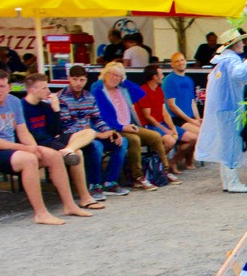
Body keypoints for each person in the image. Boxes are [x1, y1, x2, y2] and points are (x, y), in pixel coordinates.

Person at [0, 69, 92, 224]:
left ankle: (69, 205)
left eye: (2, 86)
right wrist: (27, 149)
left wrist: (34, 147)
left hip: (11, 148)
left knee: (54, 155)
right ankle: (40, 213)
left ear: (9, 87)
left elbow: (23, 131)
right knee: (29, 159)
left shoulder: (13, 101)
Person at [91, 61, 179, 190]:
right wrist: (122, 128)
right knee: (134, 139)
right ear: (105, 74)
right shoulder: (99, 90)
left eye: (118, 76)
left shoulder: (121, 89)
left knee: (155, 136)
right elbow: (104, 117)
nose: (114, 78)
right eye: (112, 75)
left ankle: (162, 170)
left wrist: (124, 81)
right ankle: (138, 177)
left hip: (128, 125)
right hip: (113, 128)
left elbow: (139, 93)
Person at [197, 28, 247, 193]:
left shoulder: (222, 61)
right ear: (235, 45)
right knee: (231, 145)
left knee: (226, 144)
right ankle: (233, 182)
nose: (243, 44)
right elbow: (240, 75)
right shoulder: (231, 61)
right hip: (230, 109)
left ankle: (228, 181)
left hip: (224, 109)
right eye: (240, 42)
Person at [21, 73, 102, 210]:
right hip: (38, 144)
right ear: (32, 90)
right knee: (78, 154)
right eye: (44, 88)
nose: (48, 91)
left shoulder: (45, 106)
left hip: (52, 139)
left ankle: (68, 150)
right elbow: (27, 133)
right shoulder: (21, 106)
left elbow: (56, 130)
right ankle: (85, 197)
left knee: (90, 132)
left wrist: (56, 109)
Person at [58, 64, 129, 201]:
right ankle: (94, 185)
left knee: (122, 141)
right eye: (75, 79)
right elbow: (68, 127)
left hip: (91, 134)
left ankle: (110, 182)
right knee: (97, 145)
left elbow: (97, 119)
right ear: (69, 79)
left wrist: (110, 132)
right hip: (73, 138)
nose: (78, 83)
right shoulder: (62, 98)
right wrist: (96, 134)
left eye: (82, 80)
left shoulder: (89, 97)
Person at [162, 52, 202, 170]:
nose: (180, 63)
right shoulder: (169, 80)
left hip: (189, 117)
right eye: (177, 61)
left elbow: (192, 102)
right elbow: (172, 106)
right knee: (198, 134)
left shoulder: (189, 80)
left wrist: (197, 119)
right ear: (172, 64)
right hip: (176, 118)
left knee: (201, 132)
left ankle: (187, 161)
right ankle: (174, 160)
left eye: (182, 60)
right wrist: (191, 120)